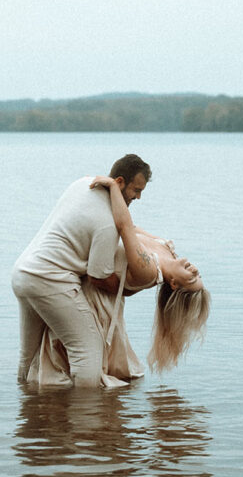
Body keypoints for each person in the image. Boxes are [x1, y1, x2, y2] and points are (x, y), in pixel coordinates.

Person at [11, 154, 152, 388]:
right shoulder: (108, 222)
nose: (138, 197)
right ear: (119, 182)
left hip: (22, 274)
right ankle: (86, 418)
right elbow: (98, 277)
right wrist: (131, 288)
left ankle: (28, 411)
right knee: (88, 353)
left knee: (29, 355)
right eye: (136, 190)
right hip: (50, 280)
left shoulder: (82, 184)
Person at [88, 175, 210, 376]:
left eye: (191, 278)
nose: (194, 270)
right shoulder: (168, 249)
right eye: (199, 274)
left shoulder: (148, 271)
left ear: (174, 284)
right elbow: (133, 226)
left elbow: (125, 227)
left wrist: (113, 187)